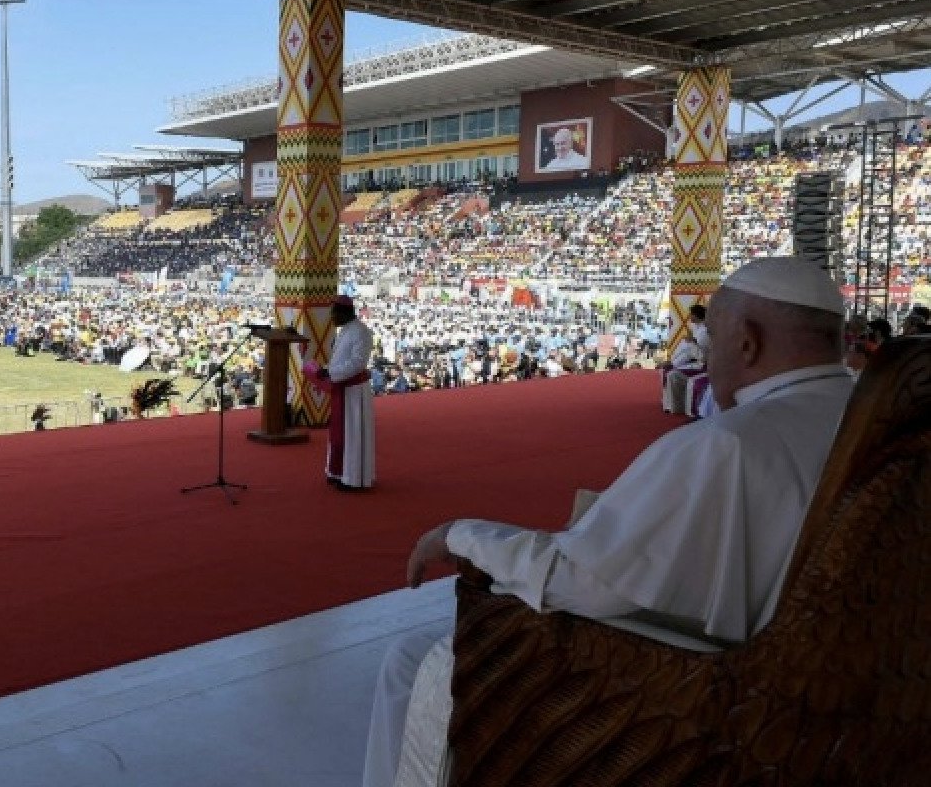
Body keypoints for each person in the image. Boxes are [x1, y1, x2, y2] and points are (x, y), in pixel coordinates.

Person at [362, 256, 854, 787]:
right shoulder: (867, 417)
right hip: (829, 687)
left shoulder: (725, 444)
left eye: (710, 338)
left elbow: (585, 582)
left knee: (412, 662)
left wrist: (463, 535)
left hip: (715, 690)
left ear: (748, 342)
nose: (704, 357)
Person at [312, 295, 376, 491]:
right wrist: (325, 369)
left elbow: (358, 363)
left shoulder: (361, 332)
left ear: (344, 312)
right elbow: (339, 361)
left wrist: (330, 372)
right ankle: (337, 471)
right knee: (340, 434)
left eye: (333, 313)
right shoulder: (345, 331)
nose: (331, 317)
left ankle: (353, 477)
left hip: (355, 392)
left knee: (352, 435)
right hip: (342, 388)